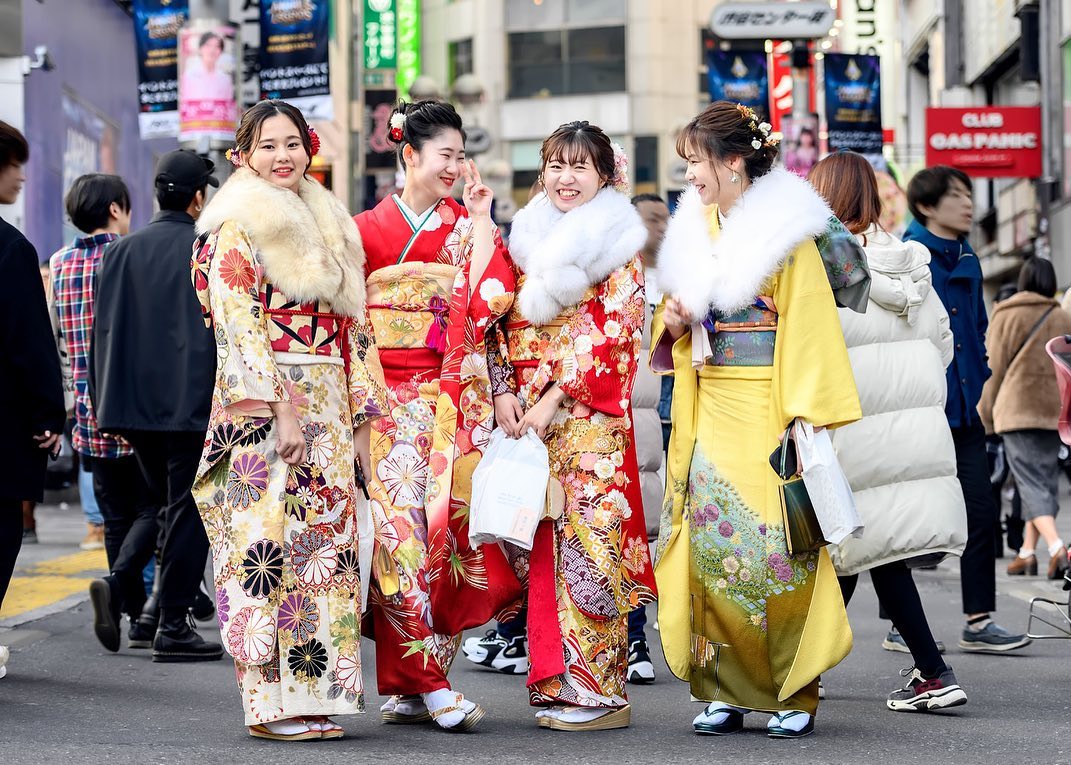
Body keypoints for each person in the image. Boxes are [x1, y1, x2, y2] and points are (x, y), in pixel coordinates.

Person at [652, 101, 863, 739]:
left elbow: (809, 327)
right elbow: (672, 324)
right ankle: (721, 688)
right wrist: (673, 322)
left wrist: (801, 416)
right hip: (709, 408)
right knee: (712, 551)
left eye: (696, 162)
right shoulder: (695, 229)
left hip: (769, 407)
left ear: (734, 162)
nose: (689, 175)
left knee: (780, 552)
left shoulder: (785, 235)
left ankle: (793, 692)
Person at [190, 99, 386, 741]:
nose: (284, 156)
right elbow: (239, 323)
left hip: (327, 405)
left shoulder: (332, 220)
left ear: (310, 148)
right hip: (266, 404)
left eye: (294, 143)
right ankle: (267, 702)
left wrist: (361, 422)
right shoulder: (233, 224)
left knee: (324, 548)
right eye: (268, 145)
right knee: (263, 546)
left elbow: (354, 329)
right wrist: (280, 410)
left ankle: (317, 693)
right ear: (242, 155)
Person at [354, 99, 520, 731]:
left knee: (446, 545)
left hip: (452, 404)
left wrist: (480, 220)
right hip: (386, 406)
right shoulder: (363, 229)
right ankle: (430, 683)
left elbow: (494, 305)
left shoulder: (465, 223)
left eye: (460, 155)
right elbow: (349, 325)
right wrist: (358, 408)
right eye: (444, 155)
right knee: (397, 544)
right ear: (410, 156)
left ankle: (405, 688)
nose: (456, 166)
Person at [494, 120, 655, 731]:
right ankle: (557, 680)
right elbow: (502, 322)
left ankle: (598, 688)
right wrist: (507, 391)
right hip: (529, 418)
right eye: (557, 165)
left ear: (604, 176)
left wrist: (552, 396)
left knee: (589, 547)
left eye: (580, 167)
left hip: (587, 422)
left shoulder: (619, 244)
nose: (566, 178)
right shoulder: (524, 237)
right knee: (543, 548)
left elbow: (612, 332)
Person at [808, 152, 969, 712]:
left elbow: (810, 357)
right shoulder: (911, 265)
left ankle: (929, 670)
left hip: (851, 434)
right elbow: (942, 348)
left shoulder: (824, 269)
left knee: (851, 548)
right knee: (865, 551)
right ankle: (816, 669)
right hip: (911, 433)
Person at [90, 150, 222, 661]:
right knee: (189, 510)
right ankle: (171, 625)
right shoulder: (204, 248)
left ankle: (132, 595)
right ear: (197, 198)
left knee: (164, 505)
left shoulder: (120, 251)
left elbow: (105, 331)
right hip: (189, 403)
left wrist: (105, 402)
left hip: (130, 406)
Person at [903, 166, 1031, 653]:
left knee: (981, 509)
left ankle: (979, 619)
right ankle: (898, 620)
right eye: (957, 195)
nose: (969, 204)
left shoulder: (968, 256)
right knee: (911, 516)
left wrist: (979, 378)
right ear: (927, 207)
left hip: (965, 411)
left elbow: (976, 327)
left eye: (970, 195)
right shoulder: (907, 257)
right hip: (919, 409)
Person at [49, 175, 158, 654]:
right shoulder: (129, 255)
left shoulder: (59, 263)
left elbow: (60, 339)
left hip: (88, 407)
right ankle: (120, 589)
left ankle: (133, 613)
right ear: (117, 209)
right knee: (159, 505)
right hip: (135, 403)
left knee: (116, 516)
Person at [0, 121, 66, 679]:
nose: (21, 175)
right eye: (13, 163)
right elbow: (28, 341)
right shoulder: (10, 249)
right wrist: (48, 412)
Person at [979, 256, 1071, 580]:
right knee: (1040, 482)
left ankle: (1057, 549)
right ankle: (1027, 554)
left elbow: (993, 368)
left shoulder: (1006, 314)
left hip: (1017, 410)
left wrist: (985, 413)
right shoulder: (1062, 315)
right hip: (1054, 412)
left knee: (1031, 483)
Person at [181, 31, 233, 103]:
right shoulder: (189, 76)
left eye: (217, 46)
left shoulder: (225, 79)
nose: (212, 50)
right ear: (200, 48)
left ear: (221, 51)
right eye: (208, 45)